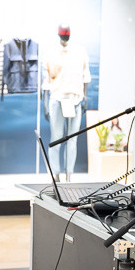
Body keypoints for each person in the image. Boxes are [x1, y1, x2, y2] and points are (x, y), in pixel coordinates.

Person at [43, 24, 90, 178]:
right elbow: (46, 79)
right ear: (59, 35)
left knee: (72, 140)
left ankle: (69, 173)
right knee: (56, 138)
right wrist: (45, 103)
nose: (65, 37)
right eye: (63, 34)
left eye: (67, 34)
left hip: (76, 99)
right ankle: (55, 173)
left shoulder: (80, 52)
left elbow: (85, 75)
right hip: (57, 98)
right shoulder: (50, 53)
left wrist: (85, 97)